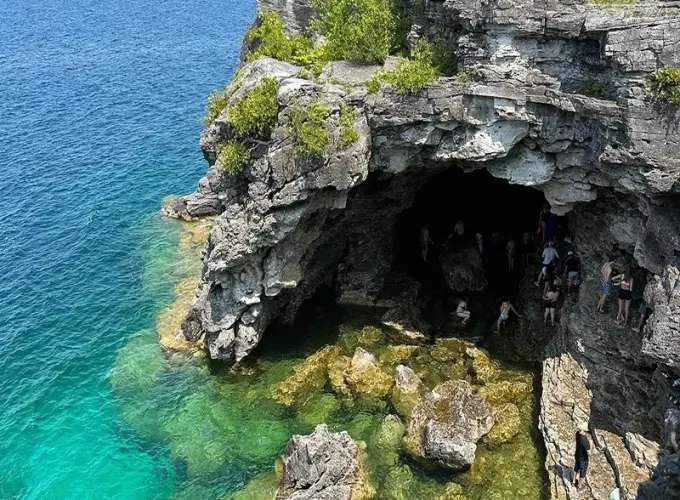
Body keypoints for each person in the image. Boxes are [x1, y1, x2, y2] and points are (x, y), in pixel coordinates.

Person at [573, 427, 591, 491]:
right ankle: (580, 486)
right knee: (582, 473)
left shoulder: (577, 434)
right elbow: (589, 453)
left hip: (577, 455)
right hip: (583, 459)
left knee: (576, 468)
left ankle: (573, 481)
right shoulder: (585, 440)